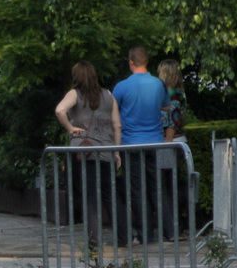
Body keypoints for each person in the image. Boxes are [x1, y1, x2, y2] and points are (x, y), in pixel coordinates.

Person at [55, 61, 122, 247]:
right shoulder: (108, 95)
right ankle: (124, 237)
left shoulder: (75, 94)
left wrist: (70, 128)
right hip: (106, 151)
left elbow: (60, 110)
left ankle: (94, 240)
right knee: (110, 195)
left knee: (90, 197)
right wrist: (116, 152)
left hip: (85, 153)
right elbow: (117, 125)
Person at [112, 46, 170, 243]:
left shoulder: (121, 87)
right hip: (156, 142)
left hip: (131, 144)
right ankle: (171, 230)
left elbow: (113, 112)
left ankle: (145, 234)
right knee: (158, 186)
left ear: (131, 62)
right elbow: (166, 106)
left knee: (137, 189)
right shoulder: (159, 84)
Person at [157, 59, 188, 236]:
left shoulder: (172, 95)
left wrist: (167, 143)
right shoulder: (178, 93)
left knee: (167, 184)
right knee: (170, 183)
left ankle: (174, 224)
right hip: (175, 141)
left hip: (171, 142)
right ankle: (174, 223)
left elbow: (172, 120)